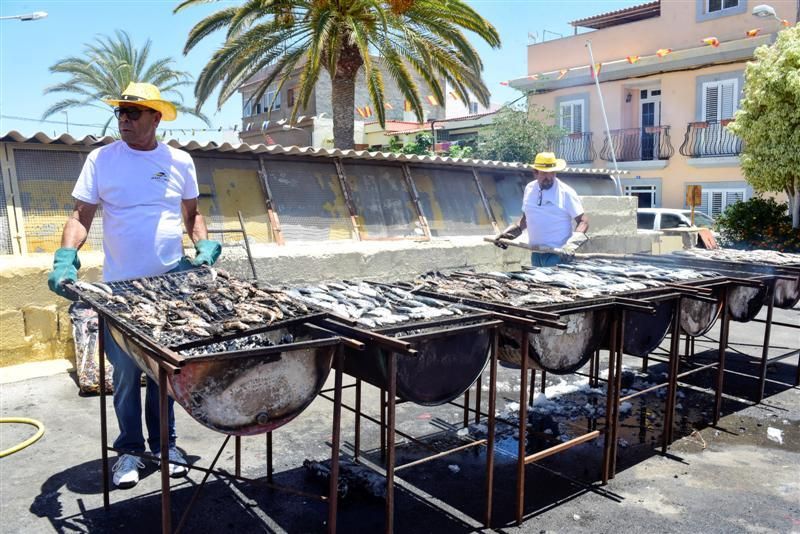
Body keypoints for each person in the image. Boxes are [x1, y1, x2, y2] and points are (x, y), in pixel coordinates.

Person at [47, 82, 222, 489]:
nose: (123, 119)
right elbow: (80, 215)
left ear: (155, 117)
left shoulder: (179, 161)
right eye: (120, 113)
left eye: (132, 112)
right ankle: (130, 449)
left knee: (165, 371)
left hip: (170, 285)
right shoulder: (102, 159)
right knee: (125, 373)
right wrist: (65, 257)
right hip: (121, 289)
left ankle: (165, 446)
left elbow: (192, 213)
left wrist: (204, 244)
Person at [493, 151, 589, 267]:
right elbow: (526, 219)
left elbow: (583, 221)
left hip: (557, 255)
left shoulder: (566, 192)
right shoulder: (529, 189)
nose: (549, 177)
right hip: (536, 253)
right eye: (544, 173)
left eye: (552, 173)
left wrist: (571, 245)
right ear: (535, 173)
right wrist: (509, 235)